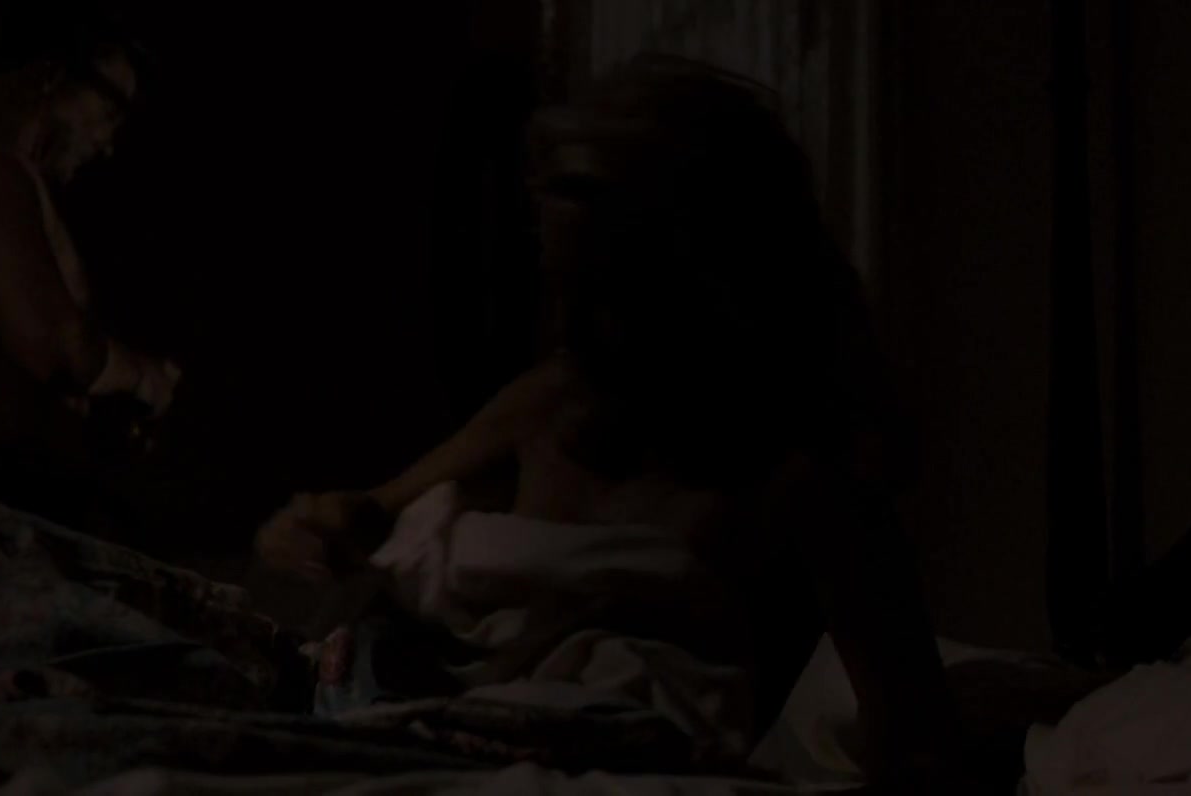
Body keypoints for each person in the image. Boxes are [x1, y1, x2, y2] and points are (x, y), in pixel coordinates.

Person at [254, 56, 966, 788]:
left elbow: (916, 738)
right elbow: (369, 519)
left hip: (621, 763)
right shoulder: (554, 400)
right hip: (425, 723)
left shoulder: (801, 461)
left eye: (585, 195)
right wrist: (322, 527)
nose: (548, 218)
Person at [0, 27, 180, 496]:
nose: (107, 143)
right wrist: (143, 377)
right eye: (109, 114)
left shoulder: (1, 172)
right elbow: (57, 347)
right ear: (52, 78)